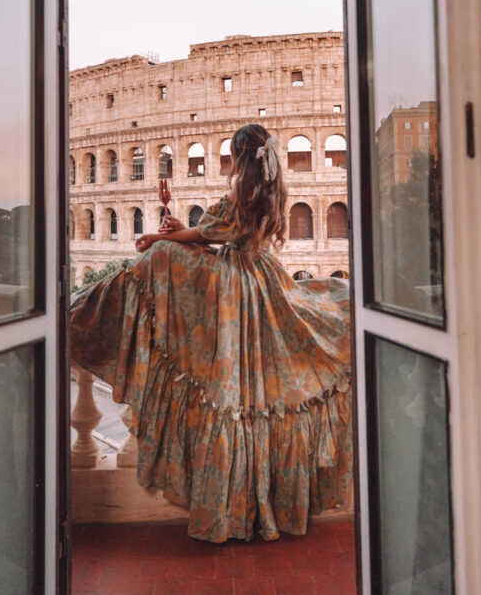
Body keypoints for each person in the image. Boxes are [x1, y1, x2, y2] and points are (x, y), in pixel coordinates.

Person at [70, 124, 351, 543]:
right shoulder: (272, 190)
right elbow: (220, 235)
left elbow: (207, 235)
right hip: (261, 279)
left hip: (234, 283)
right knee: (251, 385)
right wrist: (181, 229)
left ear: (240, 157)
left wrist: (159, 235)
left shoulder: (242, 191)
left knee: (161, 256)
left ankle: (80, 309)